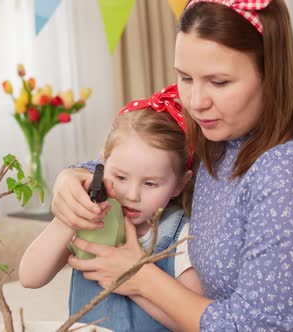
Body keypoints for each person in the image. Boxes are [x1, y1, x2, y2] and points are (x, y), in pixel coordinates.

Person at [50, 0, 293, 330]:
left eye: (219, 83)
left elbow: (257, 326)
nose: (196, 102)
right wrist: (73, 176)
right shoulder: (216, 131)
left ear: (271, 74)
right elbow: (138, 157)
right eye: (185, 77)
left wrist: (139, 276)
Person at [18, 85, 203, 331]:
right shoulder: (91, 215)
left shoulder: (181, 237)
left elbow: (193, 323)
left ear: (180, 184)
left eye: (150, 183)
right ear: (102, 163)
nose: (132, 195)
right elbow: (30, 277)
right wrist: (69, 218)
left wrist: (133, 282)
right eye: (121, 177)